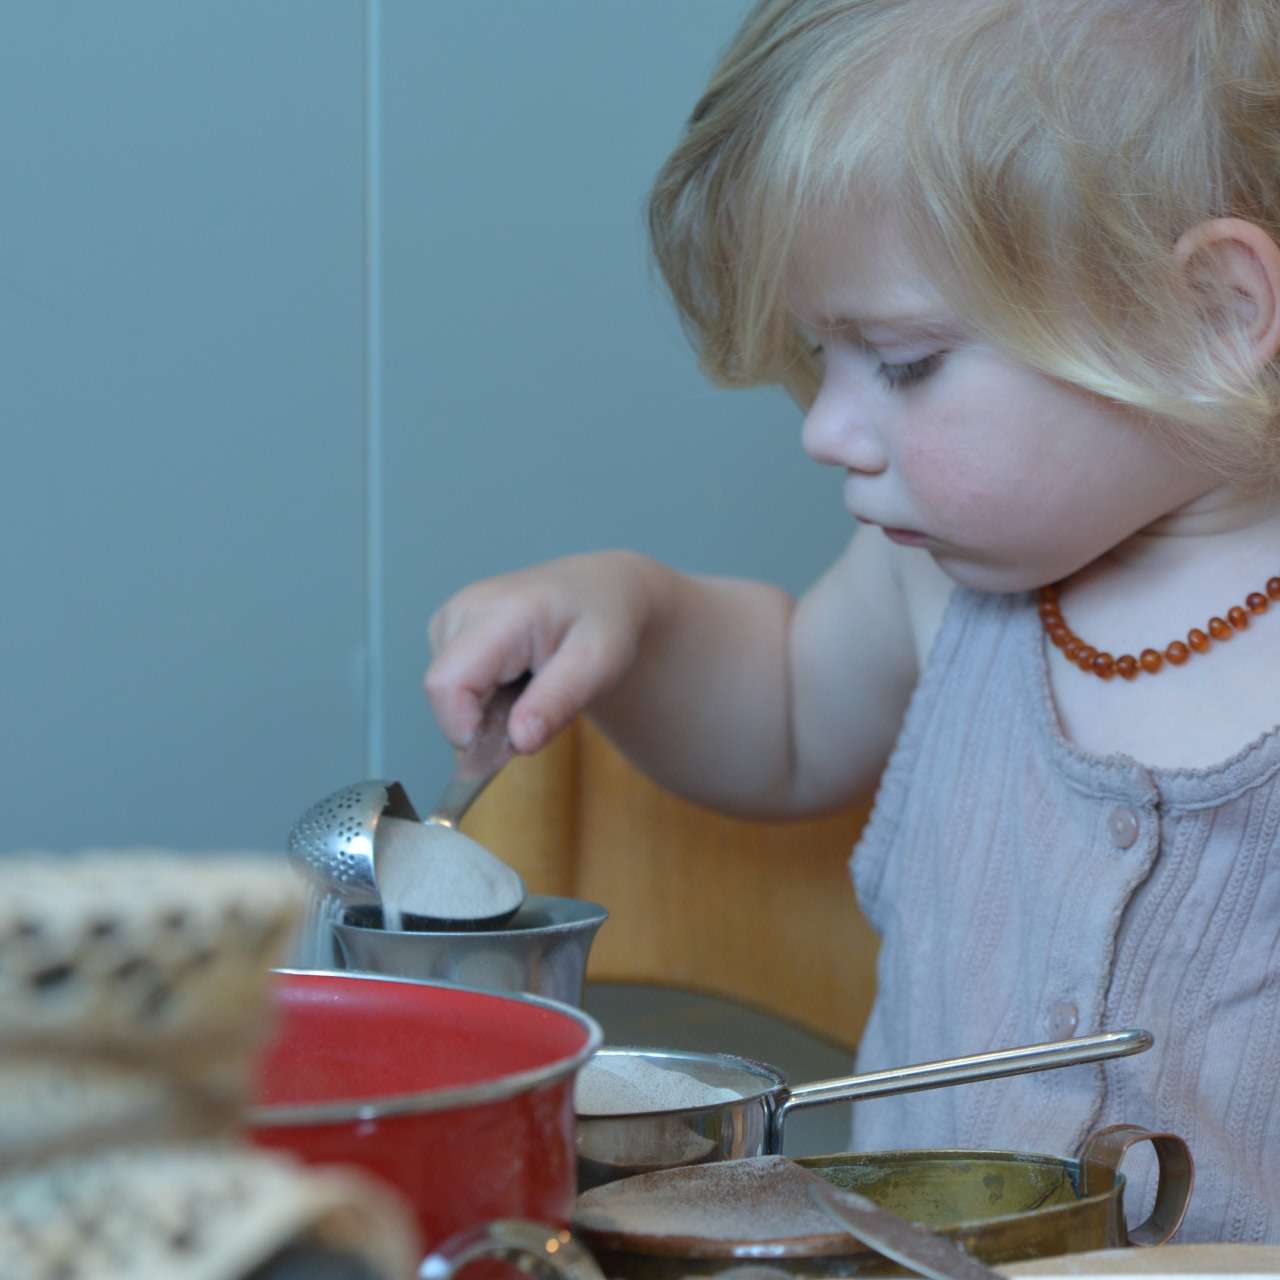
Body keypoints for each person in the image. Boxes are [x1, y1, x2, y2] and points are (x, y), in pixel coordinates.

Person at [425, 0, 1280, 1242]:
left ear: (1208, 315)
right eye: (820, 353)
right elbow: (777, 714)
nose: (824, 428)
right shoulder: (937, 586)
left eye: (904, 359)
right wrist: (635, 617)